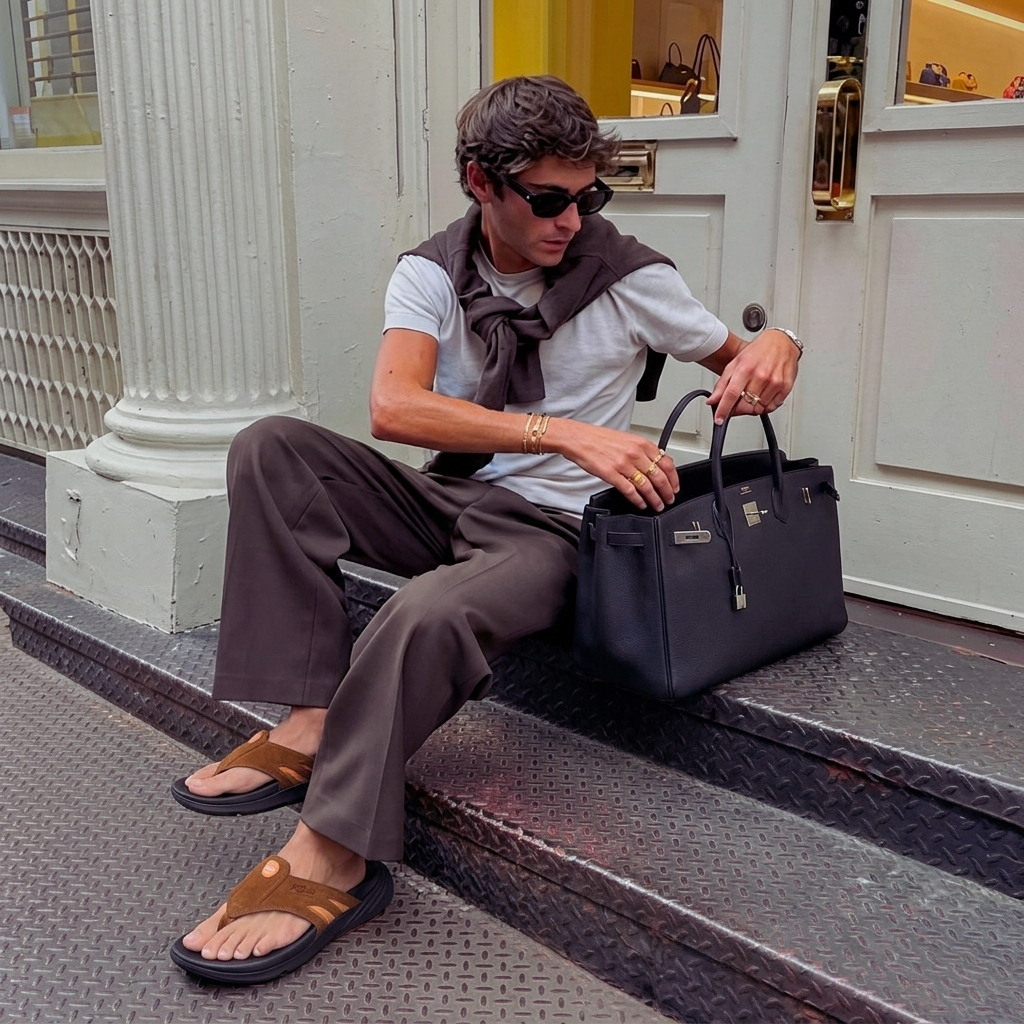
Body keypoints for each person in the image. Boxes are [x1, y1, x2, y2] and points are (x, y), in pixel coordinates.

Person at [168, 75, 801, 984]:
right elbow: (394, 406)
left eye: (589, 197)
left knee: (424, 614)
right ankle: (308, 720)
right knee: (273, 448)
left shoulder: (632, 279)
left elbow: (750, 365)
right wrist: (561, 431)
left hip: (551, 533)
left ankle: (333, 853)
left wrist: (783, 344)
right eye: (547, 201)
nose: (571, 222)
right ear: (480, 183)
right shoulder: (433, 269)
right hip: (450, 500)